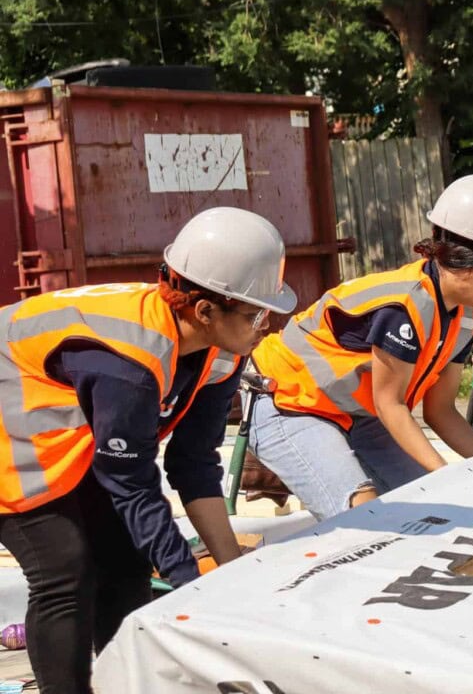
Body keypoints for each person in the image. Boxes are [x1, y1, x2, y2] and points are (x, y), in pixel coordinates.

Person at [0, 207, 296, 694]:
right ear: (204, 310)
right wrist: (188, 584)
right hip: (14, 442)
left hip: (62, 437)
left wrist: (229, 572)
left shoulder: (221, 349)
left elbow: (193, 463)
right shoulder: (130, 364)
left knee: (126, 560)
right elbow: (131, 484)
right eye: (256, 312)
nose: (266, 325)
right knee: (64, 570)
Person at [249, 175, 473, 521]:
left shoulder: (464, 317)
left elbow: (441, 411)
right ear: (461, 260)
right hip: (289, 403)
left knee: (433, 512)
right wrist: (445, 474)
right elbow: (390, 404)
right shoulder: (405, 305)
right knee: (365, 512)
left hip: (355, 415)